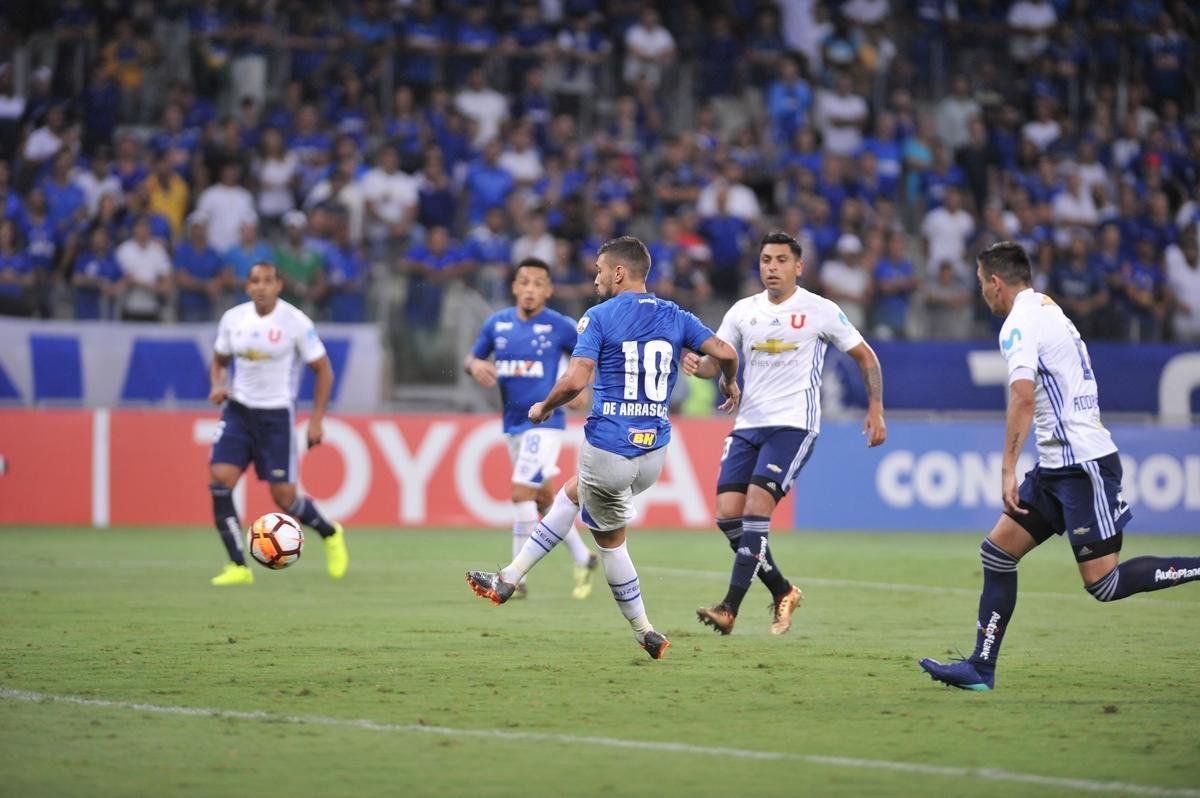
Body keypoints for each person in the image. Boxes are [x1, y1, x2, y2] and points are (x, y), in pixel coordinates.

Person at [920, 242, 1200, 691]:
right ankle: (981, 668)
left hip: (1081, 465)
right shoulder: (1048, 309)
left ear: (995, 282)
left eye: (981, 285)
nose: (982, 295)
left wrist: (1007, 469)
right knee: (997, 552)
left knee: (1104, 584)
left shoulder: (1019, 323)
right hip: (1057, 464)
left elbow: (1024, 396)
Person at [466, 236, 740, 660]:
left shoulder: (598, 316)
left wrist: (544, 406)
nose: (594, 280)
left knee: (610, 542)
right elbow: (724, 351)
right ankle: (509, 576)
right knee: (573, 492)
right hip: (653, 454)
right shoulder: (675, 314)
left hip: (610, 447)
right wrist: (727, 380)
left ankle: (644, 630)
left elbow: (576, 381)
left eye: (598, 271)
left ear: (618, 273)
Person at [685, 232, 887, 636]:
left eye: (780, 260)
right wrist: (698, 363)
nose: (772, 267)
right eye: (765, 260)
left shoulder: (820, 310)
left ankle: (729, 608)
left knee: (757, 509)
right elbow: (720, 360)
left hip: (794, 424)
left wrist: (876, 408)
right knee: (728, 515)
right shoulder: (743, 311)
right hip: (748, 424)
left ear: (799, 266)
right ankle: (782, 589)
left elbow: (865, 356)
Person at [207, 261, 349, 586]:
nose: (261, 287)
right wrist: (217, 384)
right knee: (220, 479)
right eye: (254, 281)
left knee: (283, 497)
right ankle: (237, 565)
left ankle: (329, 532)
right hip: (239, 411)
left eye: (267, 281)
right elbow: (219, 361)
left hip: (276, 416)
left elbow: (324, 370)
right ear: (247, 287)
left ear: (278, 285)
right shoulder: (233, 319)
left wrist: (316, 420)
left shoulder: (295, 321)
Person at [463, 257, 598, 600]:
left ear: (549, 290)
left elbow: (588, 357)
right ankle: (583, 556)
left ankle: (516, 577)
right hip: (513, 425)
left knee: (520, 493)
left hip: (546, 422)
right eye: (524, 281)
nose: (530, 289)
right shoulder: (497, 324)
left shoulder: (561, 326)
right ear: (514, 287)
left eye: (538, 283)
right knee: (544, 500)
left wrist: (583, 391)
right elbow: (471, 358)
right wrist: (476, 365)